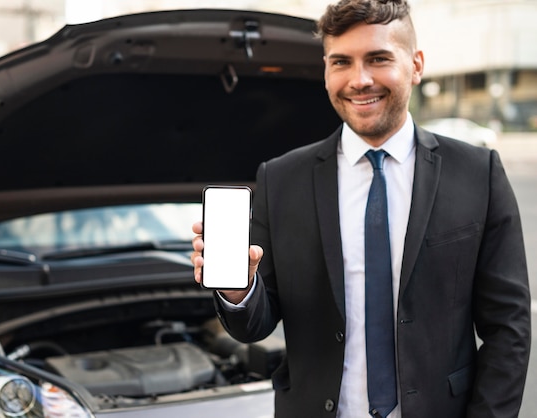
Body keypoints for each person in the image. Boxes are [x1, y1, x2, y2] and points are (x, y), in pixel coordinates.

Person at [190, 0, 531, 417]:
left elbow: (508, 328)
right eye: (341, 62)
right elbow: (255, 324)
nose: (359, 79)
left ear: (416, 64)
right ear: (326, 70)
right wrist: (239, 290)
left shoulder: (479, 173)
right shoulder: (280, 179)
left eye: (378, 58)